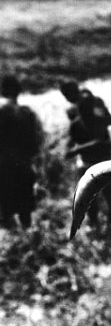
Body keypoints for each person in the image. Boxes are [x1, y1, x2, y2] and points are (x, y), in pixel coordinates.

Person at [66, 88, 111, 226]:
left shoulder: (98, 122)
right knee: (90, 196)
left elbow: (103, 141)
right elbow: (68, 149)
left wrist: (79, 149)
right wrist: (78, 148)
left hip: (100, 161)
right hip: (87, 163)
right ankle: (95, 222)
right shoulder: (76, 124)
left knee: (107, 192)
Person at [0, 75, 44, 228]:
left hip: (4, 164)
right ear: (19, 91)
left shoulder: (1, 112)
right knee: (25, 206)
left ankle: (12, 236)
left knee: (6, 206)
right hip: (24, 163)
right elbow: (38, 141)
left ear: (2, 91)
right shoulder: (28, 113)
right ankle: (28, 234)